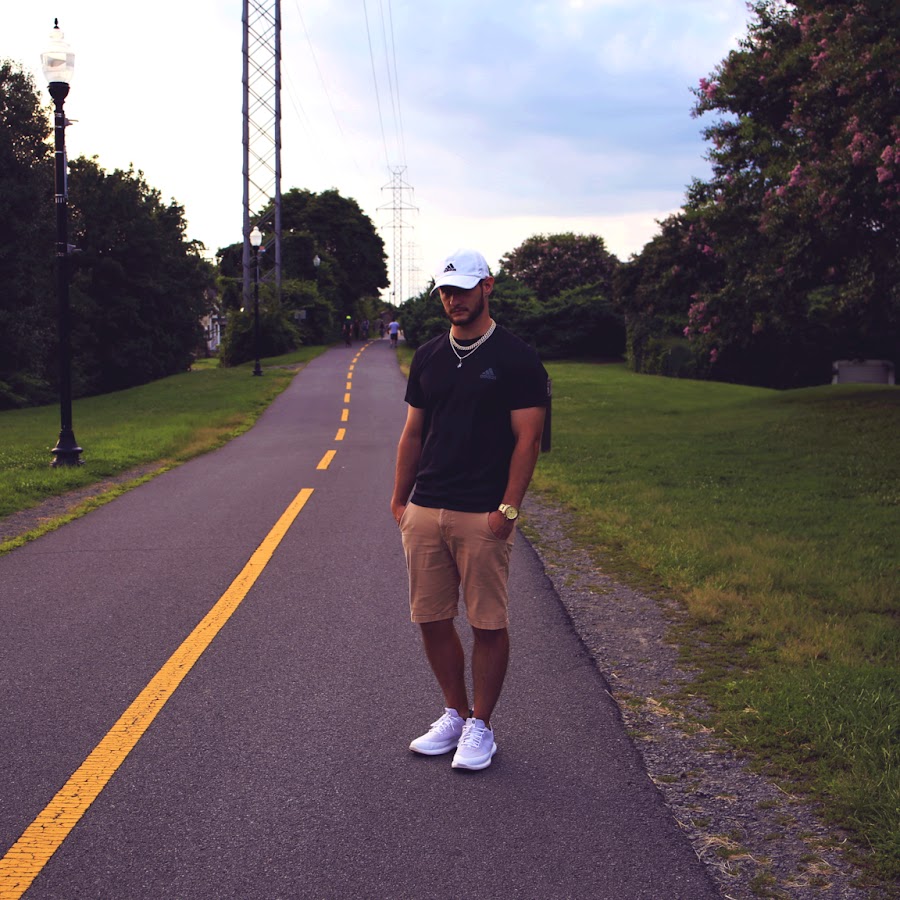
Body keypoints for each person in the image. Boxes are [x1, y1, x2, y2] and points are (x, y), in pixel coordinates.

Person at [391, 248, 548, 771]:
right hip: (426, 508)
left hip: (482, 512)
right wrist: (400, 499)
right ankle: (455, 714)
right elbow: (413, 433)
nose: (453, 299)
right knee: (432, 619)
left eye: (462, 289)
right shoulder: (429, 356)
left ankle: (482, 725)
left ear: (488, 286)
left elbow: (527, 441)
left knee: (487, 623)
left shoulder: (517, 357)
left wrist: (508, 509)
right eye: (445, 291)